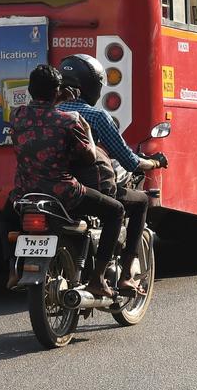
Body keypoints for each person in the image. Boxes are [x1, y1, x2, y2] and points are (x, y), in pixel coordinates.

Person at [4, 64, 125, 298]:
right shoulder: (68, 121)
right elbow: (89, 157)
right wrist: (88, 131)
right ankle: (97, 279)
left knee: (6, 217)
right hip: (63, 194)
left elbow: (39, 115)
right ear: (58, 91)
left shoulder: (17, 116)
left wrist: (55, 99)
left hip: (24, 194)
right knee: (116, 211)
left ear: (29, 90)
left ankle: (12, 269)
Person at [58, 54, 166, 296]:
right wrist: (153, 162)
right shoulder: (95, 117)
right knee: (137, 203)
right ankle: (123, 275)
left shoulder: (50, 115)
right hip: (88, 188)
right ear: (92, 87)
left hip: (53, 187)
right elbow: (128, 161)